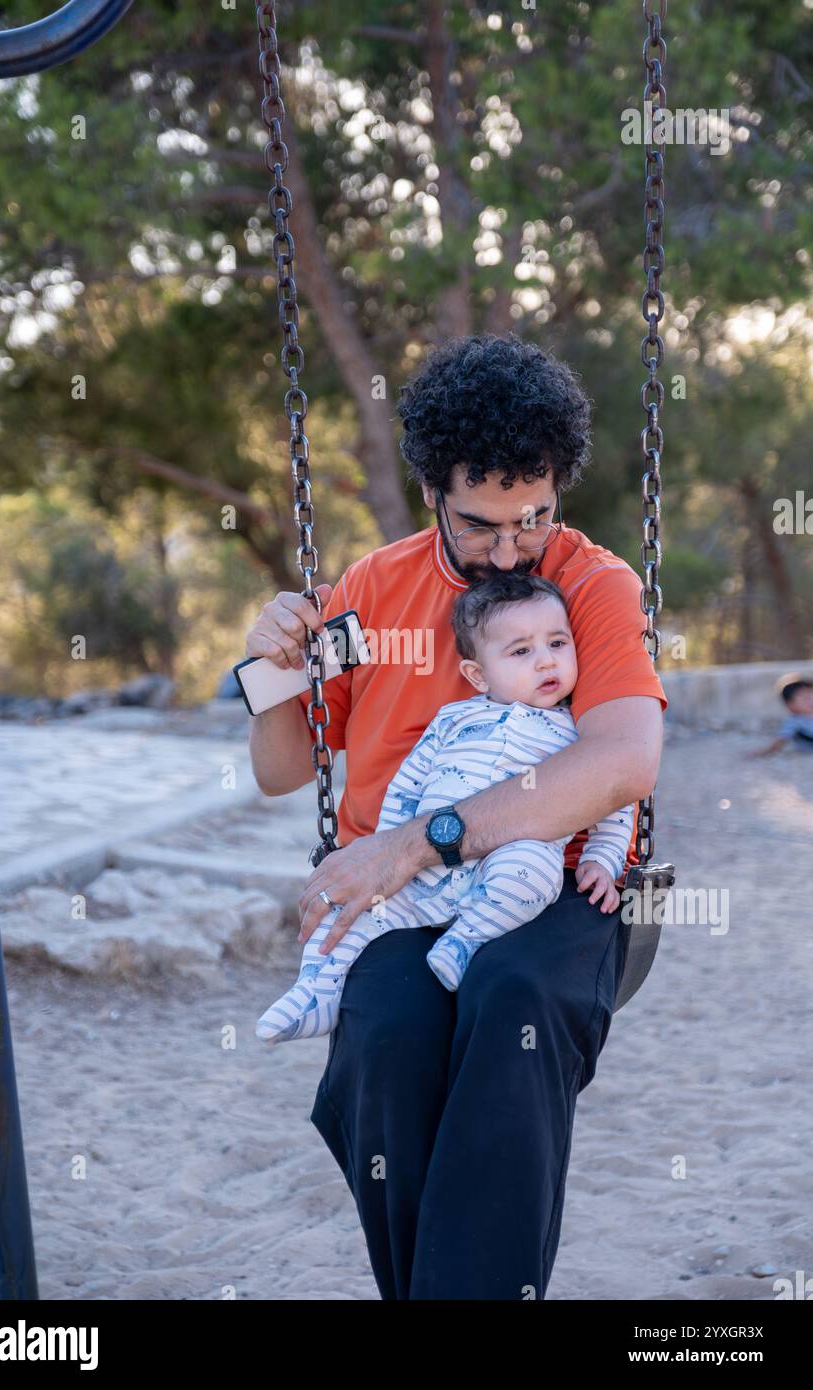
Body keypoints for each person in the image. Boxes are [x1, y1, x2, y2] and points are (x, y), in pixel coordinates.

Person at [246, 334, 667, 1300]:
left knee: (513, 999)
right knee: (387, 1037)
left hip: (558, 883)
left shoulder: (593, 586)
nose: (513, 549)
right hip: (408, 901)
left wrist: (420, 839)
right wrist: (271, 668)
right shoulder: (369, 591)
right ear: (434, 489)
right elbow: (280, 770)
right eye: (482, 525)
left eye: (535, 517)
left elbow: (624, 758)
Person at [256, 572, 634, 1044]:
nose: (545, 662)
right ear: (477, 675)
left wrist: (603, 858)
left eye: (558, 644)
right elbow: (396, 784)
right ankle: (314, 992)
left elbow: (615, 796)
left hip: (503, 872)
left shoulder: (574, 726)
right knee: (351, 924)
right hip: (420, 875)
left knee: (533, 870)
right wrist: (269, 670)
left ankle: (463, 941)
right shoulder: (374, 601)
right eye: (521, 652)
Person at [746, 675, 813, 757]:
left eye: (811, 696)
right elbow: (780, 742)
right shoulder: (794, 722)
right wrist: (764, 752)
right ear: (790, 705)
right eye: (805, 699)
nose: (811, 701)